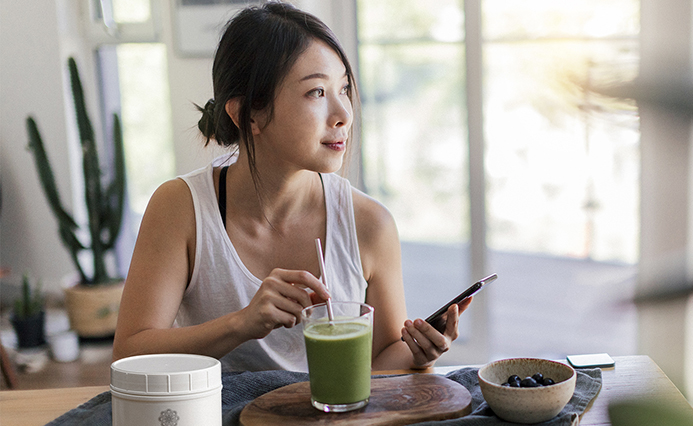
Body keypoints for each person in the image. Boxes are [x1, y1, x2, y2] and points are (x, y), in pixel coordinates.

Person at [112, 2, 469, 372]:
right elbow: (129, 354)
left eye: (343, 88)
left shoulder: (370, 224)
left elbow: (380, 363)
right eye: (316, 92)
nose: (344, 114)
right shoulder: (181, 208)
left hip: (333, 424)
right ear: (249, 114)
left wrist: (417, 353)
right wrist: (242, 323)